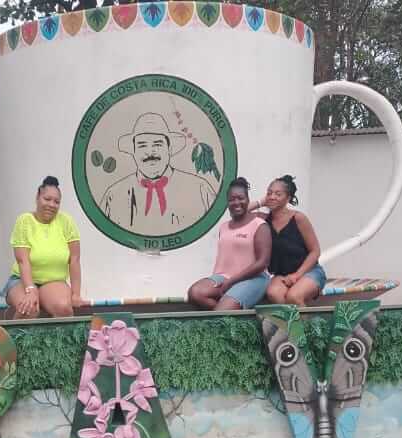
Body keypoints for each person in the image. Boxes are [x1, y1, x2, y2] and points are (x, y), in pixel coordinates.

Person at [98, 113, 217, 236]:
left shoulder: (200, 189)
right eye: (142, 145)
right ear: (133, 151)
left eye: (157, 144)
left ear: (169, 149)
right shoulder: (113, 196)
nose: (150, 152)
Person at [4, 176, 85, 319]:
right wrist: (30, 289)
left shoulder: (66, 222)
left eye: (56, 202)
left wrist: (76, 293)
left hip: (53, 281)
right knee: (29, 308)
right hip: (22, 281)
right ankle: (13, 329)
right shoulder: (24, 221)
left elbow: (74, 259)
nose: (51, 204)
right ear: (38, 197)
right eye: (47, 199)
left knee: (63, 308)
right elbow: (23, 260)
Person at [186, 177, 271, 310]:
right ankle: (232, 317)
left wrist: (232, 282)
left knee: (222, 311)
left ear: (248, 200)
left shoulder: (259, 225)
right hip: (223, 277)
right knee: (195, 293)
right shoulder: (224, 227)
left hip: (253, 279)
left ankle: (223, 313)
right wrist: (227, 281)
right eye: (232, 199)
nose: (236, 202)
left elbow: (262, 263)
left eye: (241, 198)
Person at [253, 175, 326, 306]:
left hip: (309, 272)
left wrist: (297, 275)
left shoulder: (298, 218)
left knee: (294, 296)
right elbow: (239, 212)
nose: (272, 196)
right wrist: (261, 202)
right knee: (273, 294)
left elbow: (315, 251)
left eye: (278, 194)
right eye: (269, 193)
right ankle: (294, 320)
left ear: (288, 198)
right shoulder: (263, 220)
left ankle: (303, 320)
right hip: (282, 275)